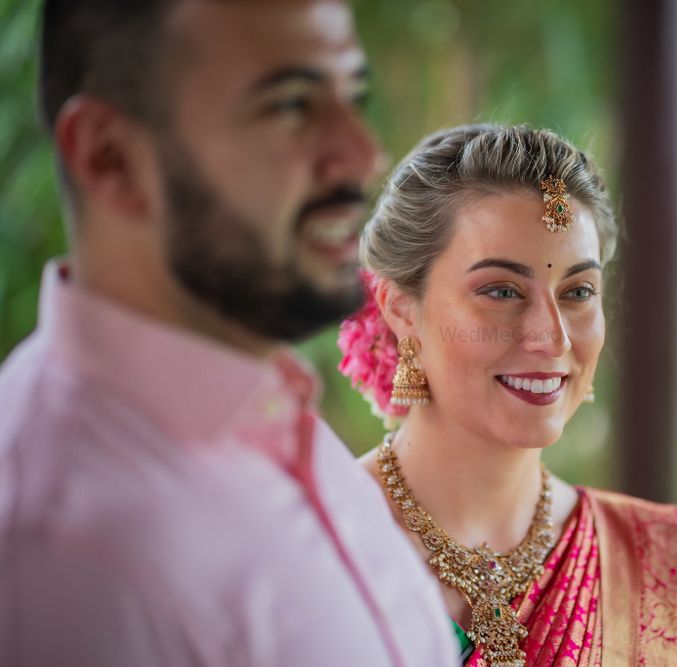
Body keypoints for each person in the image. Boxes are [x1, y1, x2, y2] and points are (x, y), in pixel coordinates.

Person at [0, 1, 456, 665]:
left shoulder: (277, 420)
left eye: (350, 95)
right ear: (111, 158)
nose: (364, 154)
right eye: (291, 105)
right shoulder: (63, 556)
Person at [339, 124, 677, 667]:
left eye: (578, 292)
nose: (553, 338)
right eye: (500, 291)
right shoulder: (313, 548)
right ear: (399, 308)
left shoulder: (657, 565)